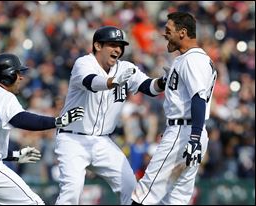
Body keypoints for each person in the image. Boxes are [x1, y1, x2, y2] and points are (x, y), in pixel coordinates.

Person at [54, 26, 167, 205]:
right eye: (113, 45)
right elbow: (91, 82)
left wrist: (163, 81)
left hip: (102, 141)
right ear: (98, 46)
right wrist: (113, 82)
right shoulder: (83, 63)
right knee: (72, 191)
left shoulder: (125, 68)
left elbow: (149, 87)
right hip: (73, 139)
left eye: (121, 46)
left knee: (130, 186)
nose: (118, 50)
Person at [0, 53, 84, 205]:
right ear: (7, 75)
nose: (21, 77)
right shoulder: (1, 94)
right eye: (17, 73)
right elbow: (21, 119)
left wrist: (15, 155)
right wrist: (58, 121)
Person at [131, 12, 217, 205]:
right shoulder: (193, 59)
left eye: (168, 30)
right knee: (176, 199)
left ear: (182, 32)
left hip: (184, 132)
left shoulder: (192, 60)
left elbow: (198, 98)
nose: (165, 35)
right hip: (190, 131)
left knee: (144, 192)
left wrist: (193, 137)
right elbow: (155, 88)